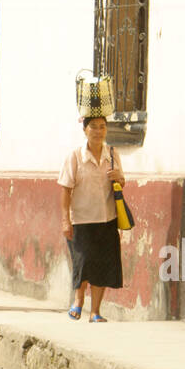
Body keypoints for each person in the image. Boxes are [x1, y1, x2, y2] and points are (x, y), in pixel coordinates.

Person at [58, 115, 124, 321]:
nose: (98, 131)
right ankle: (78, 301)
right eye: (93, 127)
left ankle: (95, 311)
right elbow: (66, 189)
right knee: (83, 261)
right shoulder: (75, 156)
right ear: (85, 130)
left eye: (102, 127)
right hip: (81, 219)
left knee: (102, 264)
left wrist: (119, 178)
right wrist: (65, 220)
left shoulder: (112, 154)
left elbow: (121, 182)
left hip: (107, 218)